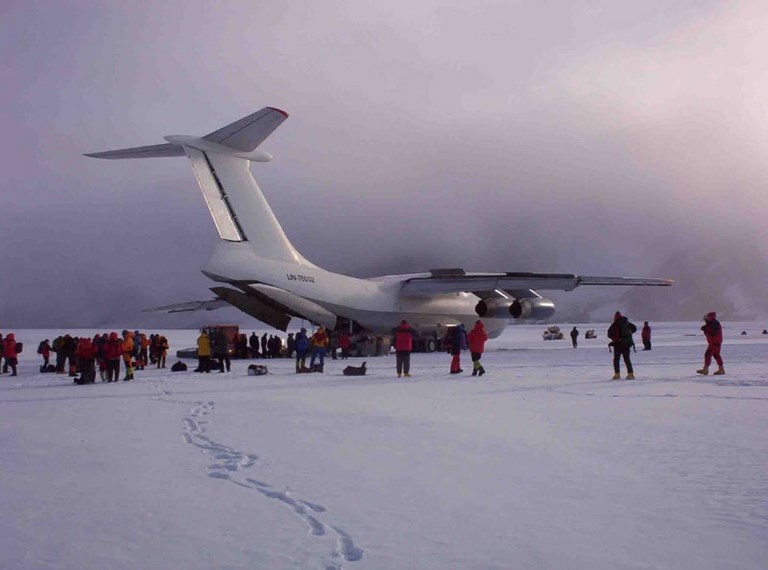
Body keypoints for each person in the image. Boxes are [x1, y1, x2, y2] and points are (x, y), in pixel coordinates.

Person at [607, 311, 637, 380]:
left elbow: (609, 334)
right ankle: (631, 374)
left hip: (618, 345)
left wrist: (616, 338)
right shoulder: (626, 323)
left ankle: (617, 374)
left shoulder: (614, 324)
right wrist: (628, 334)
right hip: (626, 344)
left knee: (616, 360)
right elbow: (634, 328)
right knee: (627, 359)